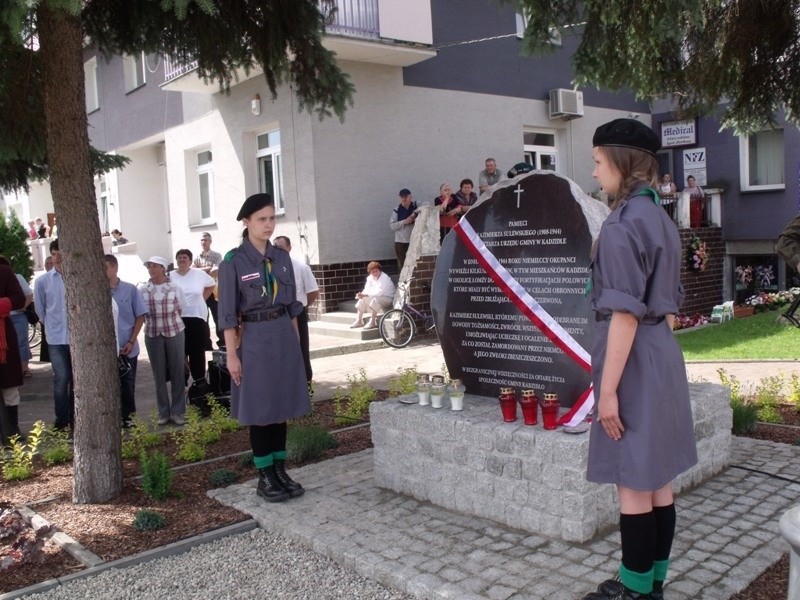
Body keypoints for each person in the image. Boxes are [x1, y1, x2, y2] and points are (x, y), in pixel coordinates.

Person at [582, 118, 697, 600]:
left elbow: (625, 315)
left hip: (630, 359)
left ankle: (634, 592)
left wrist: (607, 392)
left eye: (597, 162)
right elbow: (666, 305)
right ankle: (652, 582)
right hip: (660, 355)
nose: (594, 174)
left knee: (633, 480)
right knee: (657, 480)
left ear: (621, 163)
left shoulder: (623, 224)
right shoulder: (661, 219)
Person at [218, 192, 311, 503]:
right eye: (262, 219)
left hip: (283, 337)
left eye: (272, 218)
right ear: (247, 222)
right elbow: (228, 316)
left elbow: (292, 308)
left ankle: (280, 470)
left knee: (281, 405)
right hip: (255, 340)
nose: (268, 224)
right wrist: (232, 356)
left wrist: (297, 349)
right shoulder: (233, 261)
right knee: (261, 409)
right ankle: (264, 477)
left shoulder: (282, 258)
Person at [139, 256, 187, 426]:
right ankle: (163, 412)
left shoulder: (174, 287)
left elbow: (181, 308)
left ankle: (178, 411)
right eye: (149, 266)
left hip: (174, 330)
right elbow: (141, 312)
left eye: (154, 266)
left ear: (163, 269)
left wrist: (169, 323)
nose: (151, 269)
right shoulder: (143, 289)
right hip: (152, 332)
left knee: (177, 372)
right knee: (158, 374)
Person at [34, 240, 73, 432]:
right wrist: (50, 326)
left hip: (77, 339)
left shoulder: (76, 277)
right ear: (51, 255)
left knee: (77, 379)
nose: (59, 258)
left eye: (62, 253)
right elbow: (40, 310)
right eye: (55, 254)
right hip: (56, 338)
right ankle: (61, 420)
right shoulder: (43, 281)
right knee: (61, 378)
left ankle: (76, 418)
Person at [105, 254, 148, 428]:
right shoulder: (95, 291)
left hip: (127, 346)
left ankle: (129, 417)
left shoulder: (130, 290)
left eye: (106, 267)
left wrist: (131, 341)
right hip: (106, 348)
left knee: (127, 384)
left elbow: (140, 316)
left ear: (115, 268)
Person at [273, 236, 319, 387]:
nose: (278, 251)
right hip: (278, 316)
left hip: (297, 314)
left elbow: (312, 292)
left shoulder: (301, 268)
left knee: (301, 350)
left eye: (281, 247)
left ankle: (306, 385)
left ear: (289, 248)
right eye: (275, 248)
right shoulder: (270, 268)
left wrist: (302, 307)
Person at [170, 249, 215, 385]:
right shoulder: (169, 276)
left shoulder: (199, 274)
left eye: (185, 258)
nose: (182, 260)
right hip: (177, 318)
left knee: (197, 350)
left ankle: (199, 383)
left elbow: (211, 284)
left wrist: (201, 299)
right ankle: (181, 381)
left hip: (197, 317)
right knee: (179, 351)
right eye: (179, 258)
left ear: (190, 261)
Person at [0, 260, 26, 440]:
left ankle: (12, 431)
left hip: (4, 338)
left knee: (9, 386)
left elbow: (19, 299)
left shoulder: (4, 271)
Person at [0, 257, 33, 378]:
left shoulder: (16, 277)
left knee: (21, 343)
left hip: (17, 316)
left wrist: (22, 307)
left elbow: (27, 295)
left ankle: (24, 368)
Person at [193, 232, 223, 347]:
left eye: (205, 240)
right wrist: (207, 268)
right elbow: (193, 272)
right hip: (201, 291)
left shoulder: (217, 255)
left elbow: (215, 270)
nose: (203, 242)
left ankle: (222, 342)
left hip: (214, 291)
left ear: (210, 241)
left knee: (218, 317)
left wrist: (200, 270)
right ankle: (206, 343)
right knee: (203, 318)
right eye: (201, 240)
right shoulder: (196, 257)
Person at [351, 261, 395, 330]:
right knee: (362, 298)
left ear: (380, 270)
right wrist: (361, 295)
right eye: (372, 272)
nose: (375, 273)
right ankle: (359, 320)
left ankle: (373, 321)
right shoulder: (369, 278)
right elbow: (366, 289)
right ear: (370, 272)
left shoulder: (384, 278)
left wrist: (365, 294)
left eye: (376, 271)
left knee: (375, 299)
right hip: (376, 297)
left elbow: (379, 293)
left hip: (388, 299)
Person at [389, 188, 418, 270]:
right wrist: (404, 222)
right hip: (400, 242)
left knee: (413, 265)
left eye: (406, 196)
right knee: (402, 266)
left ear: (410, 197)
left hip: (413, 241)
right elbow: (392, 226)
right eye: (402, 197)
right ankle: (402, 283)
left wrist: (414, 216)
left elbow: (426, 204)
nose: (404, 199)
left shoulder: (415, 206)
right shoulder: (397, 209)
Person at [38, 256, 53, 364]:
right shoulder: (41, 281)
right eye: (46, 264)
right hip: (49, 320)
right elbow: (39, 304)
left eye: (50, 263)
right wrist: (44, 320)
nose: (48, 266)